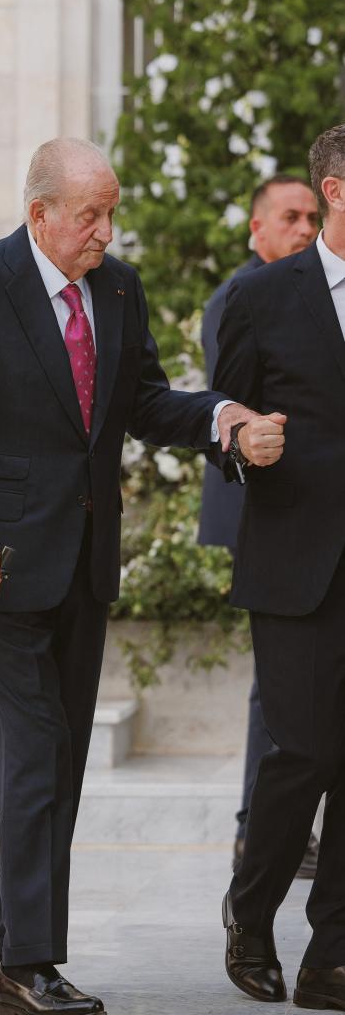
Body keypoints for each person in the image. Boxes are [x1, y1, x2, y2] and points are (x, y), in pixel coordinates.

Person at [0, 138, 274, 1015]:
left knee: (58, 766)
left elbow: (142, 402)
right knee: (33, 762)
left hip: (85, 565)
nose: (106, 231)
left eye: (111, 213)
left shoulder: (117, 287)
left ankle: (2, 943)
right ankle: (30, 966)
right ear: (40, 214)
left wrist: (222, 416)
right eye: (89, 216)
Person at [215, 124, 345, 1012]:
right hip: (298, 560)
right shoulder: (262, 296)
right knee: (298, 753)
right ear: (337, 190)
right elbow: (225, 419)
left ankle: (332, 952)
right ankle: (252, 915)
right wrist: (243, 444)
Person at [198, 175, 321, 878]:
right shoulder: (242, 297)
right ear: (256, 228)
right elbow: (233, 405)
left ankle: (272, 826)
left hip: (299, 511)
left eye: (311, 216)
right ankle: (257, 827)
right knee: (270, 681)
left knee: (279, 681)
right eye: (289, 217)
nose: (303, 229)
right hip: (260, 507)